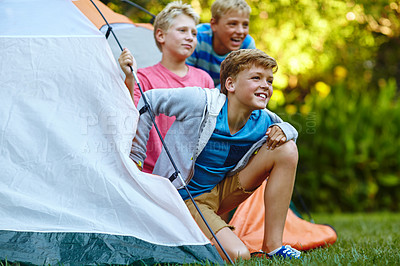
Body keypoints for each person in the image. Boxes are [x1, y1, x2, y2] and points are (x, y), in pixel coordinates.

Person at [130, 48, 302, 261]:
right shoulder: (201, 102)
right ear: (230, 85)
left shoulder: (263, 118)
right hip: (186, 198)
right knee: (239, 255)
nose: (265, 86)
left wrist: (286, 130)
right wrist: (135, 159)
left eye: (269, 80)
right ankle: (178, 237)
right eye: (256, 78)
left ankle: (273, 246)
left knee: (286, 148)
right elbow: (149, 101)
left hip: (221, 192)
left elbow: (288, 129)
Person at [118, 1, 214, 173]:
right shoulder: (143, 77)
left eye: (194, 33)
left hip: (189, 177)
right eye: (182, 30)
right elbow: (129, 118)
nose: (190, 37)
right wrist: (130, 79)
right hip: (148, 173)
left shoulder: (204, 80)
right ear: (161, 36)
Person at [186, 0, 255, 87]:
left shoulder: (247, 46)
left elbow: (244, 84)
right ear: (214, 24)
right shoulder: (197, 38)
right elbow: (184, 76)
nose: (240, 31)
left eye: (245, 25)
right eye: (232, 24)